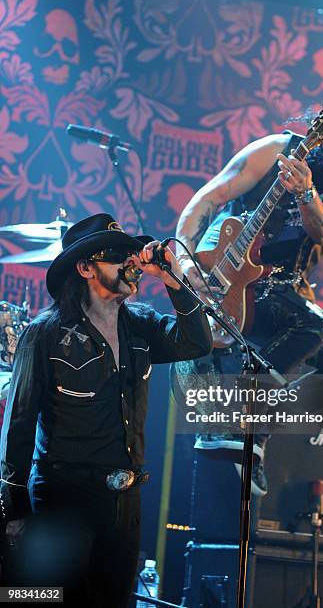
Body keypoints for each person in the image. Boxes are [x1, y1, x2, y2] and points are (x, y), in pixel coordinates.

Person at [173, 87, 323, 496]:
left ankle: (251, 427)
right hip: (227, 279)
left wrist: (307, 194)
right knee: (313, 330)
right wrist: (186, 266)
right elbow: (206, 199)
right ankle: (232, 421)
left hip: (283, 289)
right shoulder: (275, 150)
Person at [0, 213, 212, 606]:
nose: (131, 261)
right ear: (84, 268)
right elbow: (17, 427)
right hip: (65, 497)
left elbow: (197, 342)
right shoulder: (46, 334)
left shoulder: (142, 325)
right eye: (116, 254)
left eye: (132, 253)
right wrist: (13, 512)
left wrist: (172, 282)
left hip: (124, 500)